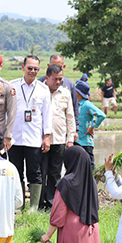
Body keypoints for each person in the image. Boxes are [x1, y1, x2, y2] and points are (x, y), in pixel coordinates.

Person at [40, 145, 103, 243]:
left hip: (74, 232)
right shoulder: (91, 182)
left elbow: (58, 216)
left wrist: (47, 236)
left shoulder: (66, 183)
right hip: (91, 230)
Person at [8, 56, 52, 211]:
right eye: (30, 68)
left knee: (34, 172)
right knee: (16, 172)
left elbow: (47, 115)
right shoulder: (12, 86)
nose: (33, 71)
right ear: (23, 68)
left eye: (36, 69)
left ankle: (33, 207)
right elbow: (8, 113)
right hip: (15, 138)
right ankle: (18, 205)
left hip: (34, 138)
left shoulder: (43, 89)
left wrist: (47, 136)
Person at [38, 64, 75, 211]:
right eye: (55, 79)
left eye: (60, 79)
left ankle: (52, 203)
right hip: (40, 140)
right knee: (41, 172)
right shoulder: (39, 90)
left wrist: (70, 139)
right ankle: (39, 203)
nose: (58, 82)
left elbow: (70, 117)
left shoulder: (65, 93)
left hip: (59, 140)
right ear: (47, 78)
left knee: (55, 173)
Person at [74, 81, 106, 171]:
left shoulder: (86, 104)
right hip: (76, 141)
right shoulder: (76, 104)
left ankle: (92, 184)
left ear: (77, 93)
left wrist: (92, 127)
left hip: (85, 142)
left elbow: (100, 115)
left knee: (89, 168)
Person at [47, 55, 79, 137]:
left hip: (61, 132)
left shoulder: (69, 85)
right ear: (48, 66)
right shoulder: (40, 84)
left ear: (63, 66)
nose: (56, 69)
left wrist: (75, 130)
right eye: (53, 66)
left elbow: (74, 109)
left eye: (59, 66)